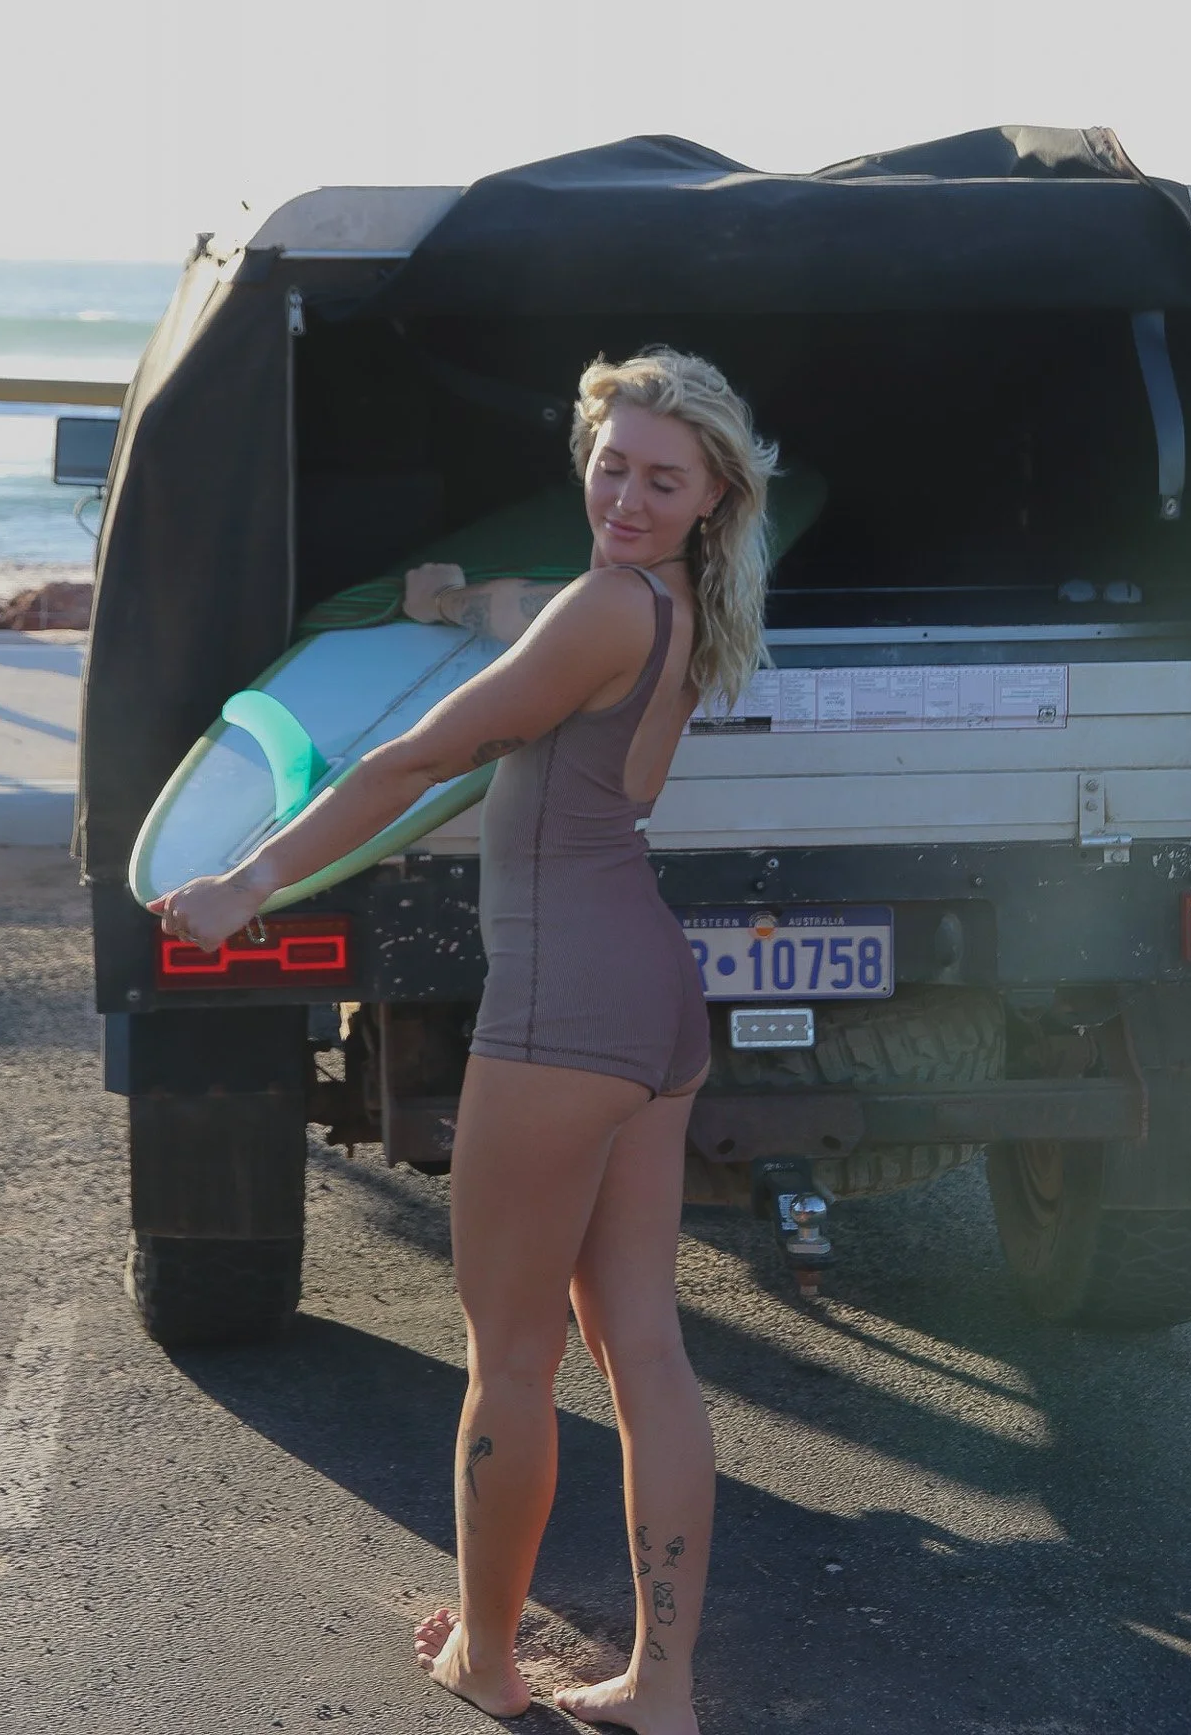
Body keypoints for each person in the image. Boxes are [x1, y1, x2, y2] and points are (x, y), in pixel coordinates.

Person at [153, 346, 777, 1733]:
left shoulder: (603, 600)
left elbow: (410, 758)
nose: (623, 491)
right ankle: (657, 1688)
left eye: (657, 477)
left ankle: (486, 1661)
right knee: (643, 1349)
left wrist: (247, 883)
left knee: (510, 1355)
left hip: (563, 1008)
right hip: (652, 998)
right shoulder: (679, 606)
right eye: (610, 463)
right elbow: (543, 652)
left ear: (708, 492)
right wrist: (475, 607)